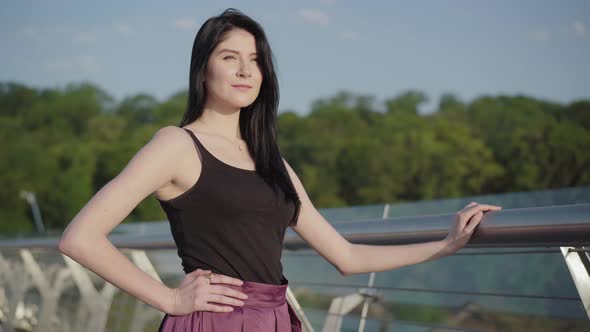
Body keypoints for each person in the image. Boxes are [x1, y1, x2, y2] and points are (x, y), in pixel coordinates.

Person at [58, 8, 502, 332]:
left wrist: (445, 245)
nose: (245, 70)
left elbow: (346, 258)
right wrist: (170, 298)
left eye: (255, 60)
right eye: (230, 57)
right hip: (216, 322)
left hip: (275, 316)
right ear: (203, 68)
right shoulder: (176, 144)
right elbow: (79, 237)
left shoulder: (273, 162)